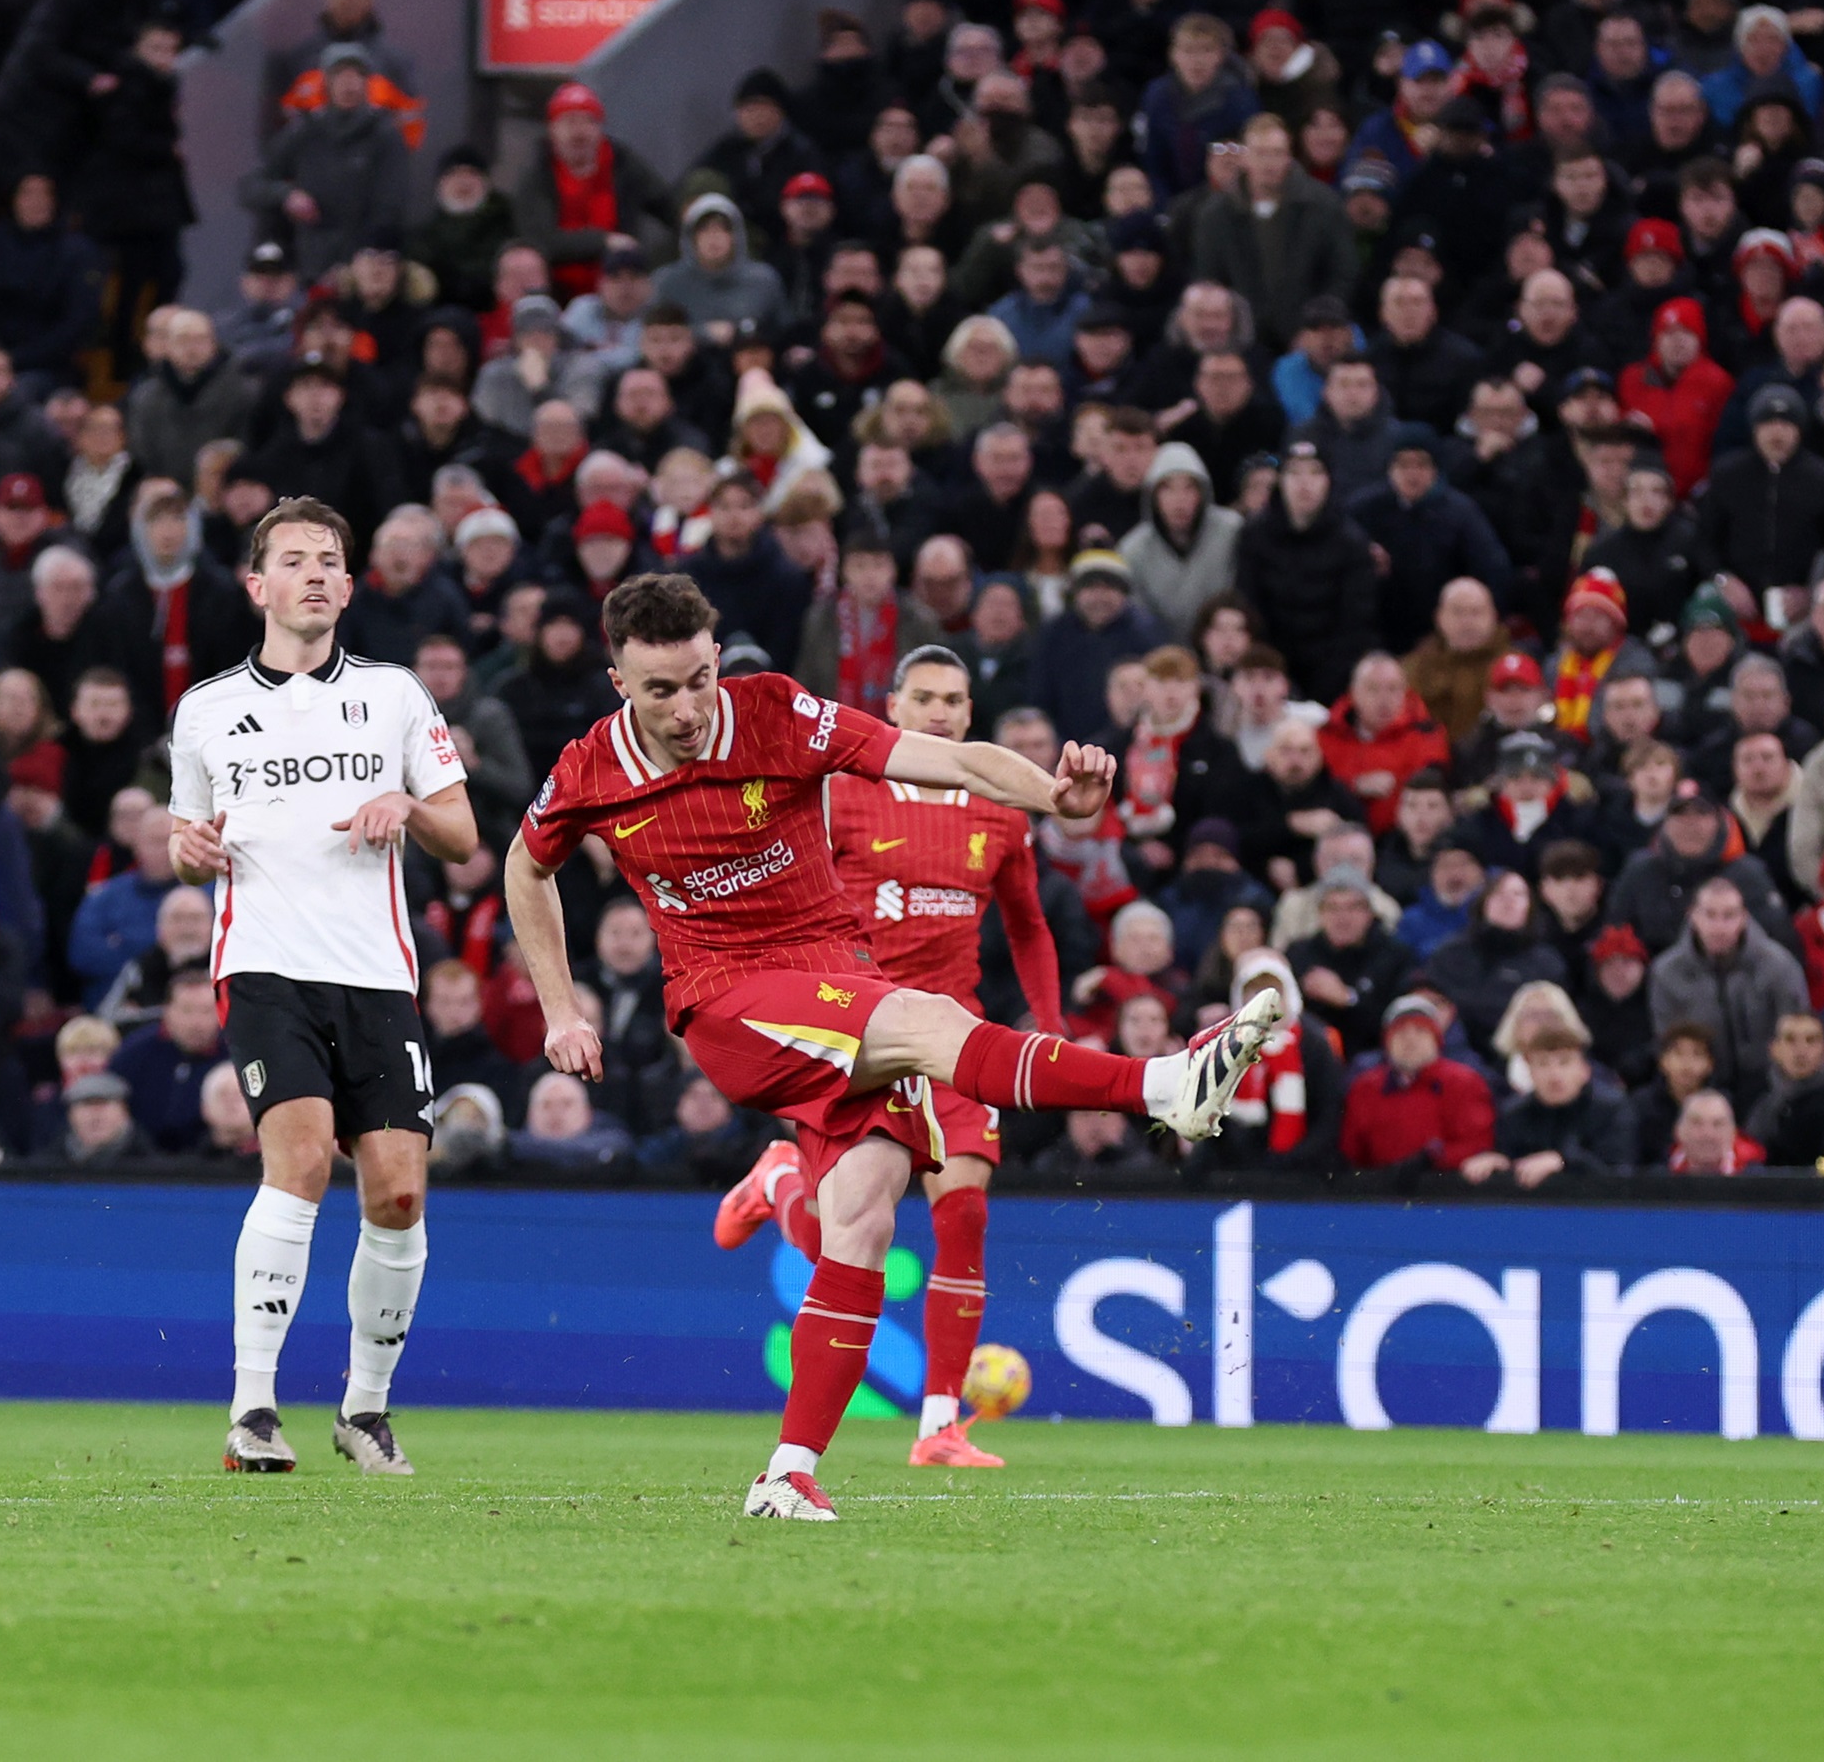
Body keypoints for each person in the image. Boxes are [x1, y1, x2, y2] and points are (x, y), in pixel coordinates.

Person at [503, 573, 1284, 1521]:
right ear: (619, 679)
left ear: (717, 659)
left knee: (865, 1216)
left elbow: (948, 762)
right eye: (658, 689)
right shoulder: (592, 766)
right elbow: (524, 862)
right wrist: (562, 1007)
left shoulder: (777, 710)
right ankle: (1165, 1086)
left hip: (838, 971)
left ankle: (788, 1470)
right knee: (930, 1023)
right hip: (727, 997)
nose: (687, 707)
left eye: (699, 679)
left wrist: (1055, 796)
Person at [165, 497, 477, 1477]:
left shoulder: (395, 696)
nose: (312, 573)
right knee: (298, 1163)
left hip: (376, 973)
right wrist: (188, 848)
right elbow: (185, 843)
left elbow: (465, 835)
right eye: (291, 559)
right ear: (256, 585)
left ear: (348, 586)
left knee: (396, 1190)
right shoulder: (207, 708)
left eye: (328, 561)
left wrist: (407, 804)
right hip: (263, 965)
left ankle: (364, 1410)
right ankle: (252, 1406)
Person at [714, 645, 1071, 1471]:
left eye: (955, 698)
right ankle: (778, 1181)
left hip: (953, 1038)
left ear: (970, 713)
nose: (940, 711)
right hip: (857, 1038)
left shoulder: (999, 812)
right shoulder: (842, 796)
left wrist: (1048, 1025)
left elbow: (1027, 924)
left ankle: (940, 1424)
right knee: (849, 1234)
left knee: (966, 1209)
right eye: (925, 698)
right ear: (894, 708)